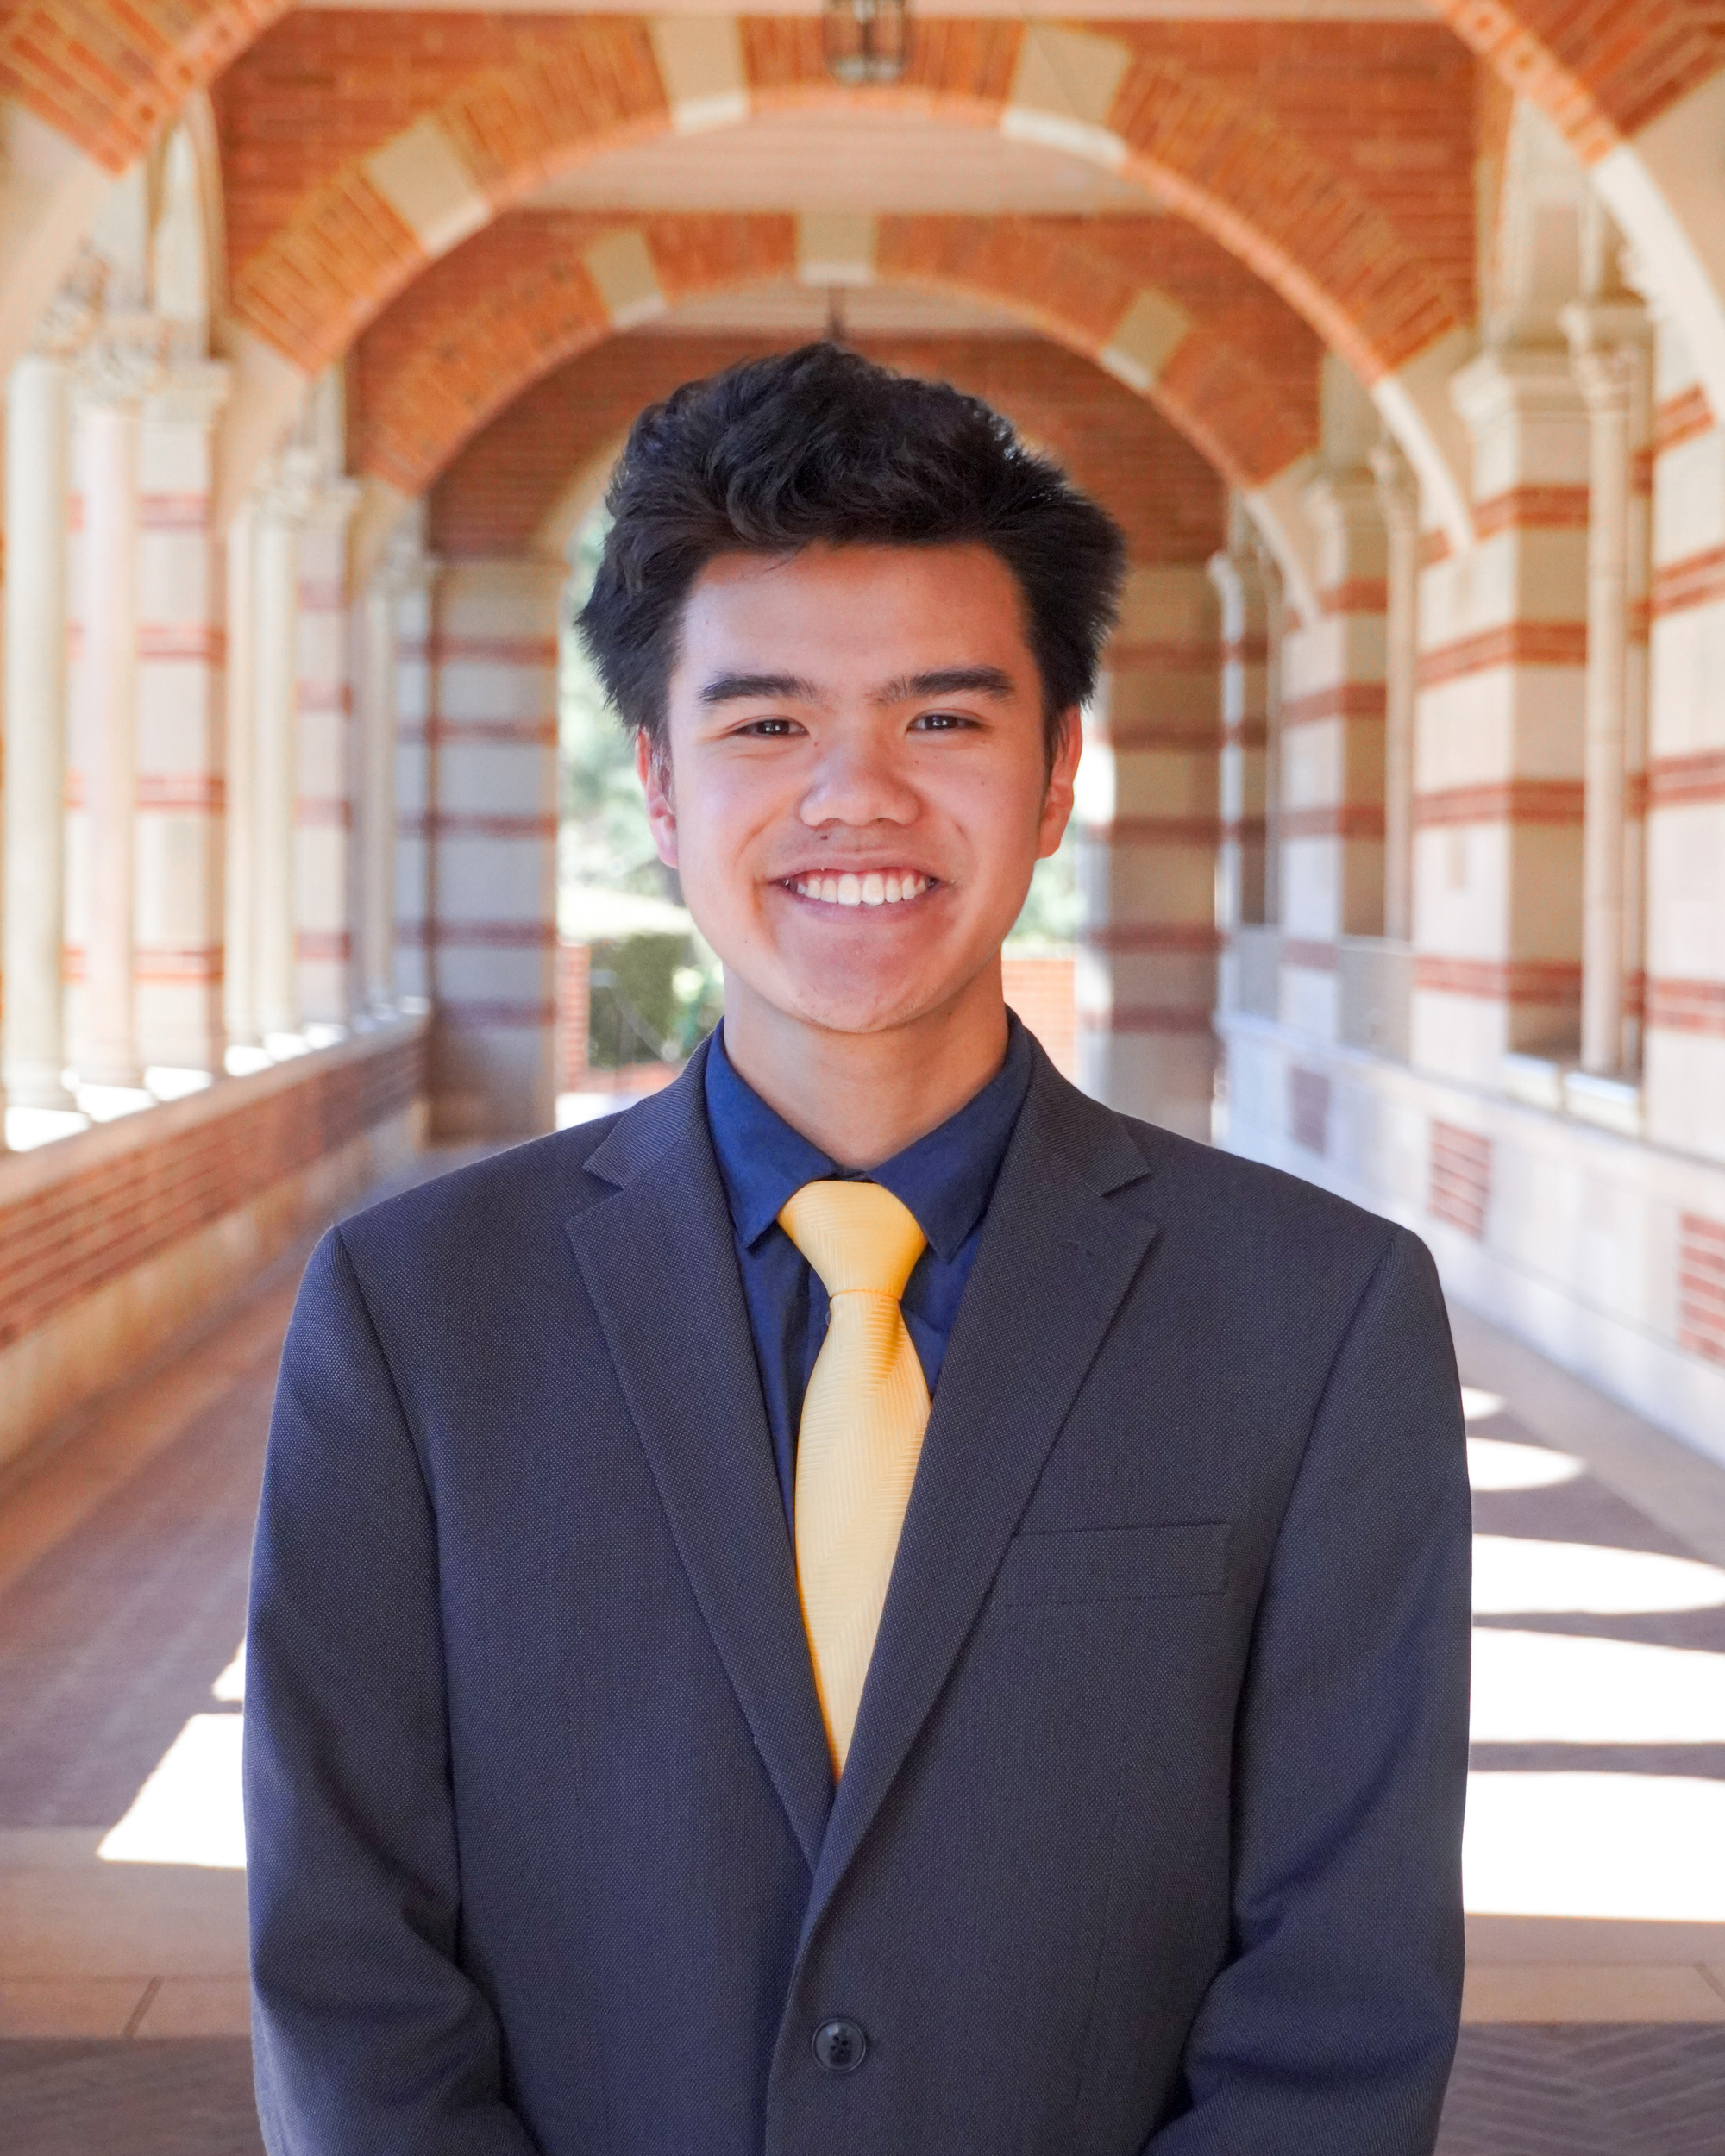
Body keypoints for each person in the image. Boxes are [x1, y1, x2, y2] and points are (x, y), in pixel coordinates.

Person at [245, 343, 1471, 2156]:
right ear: (657, 788)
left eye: (940, 717)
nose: (855, 795)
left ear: (1055, 772)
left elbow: (1341, 1985)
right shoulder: (415, 1315)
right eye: (765, 724)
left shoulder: (1317, 1316)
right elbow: (350, 1970)